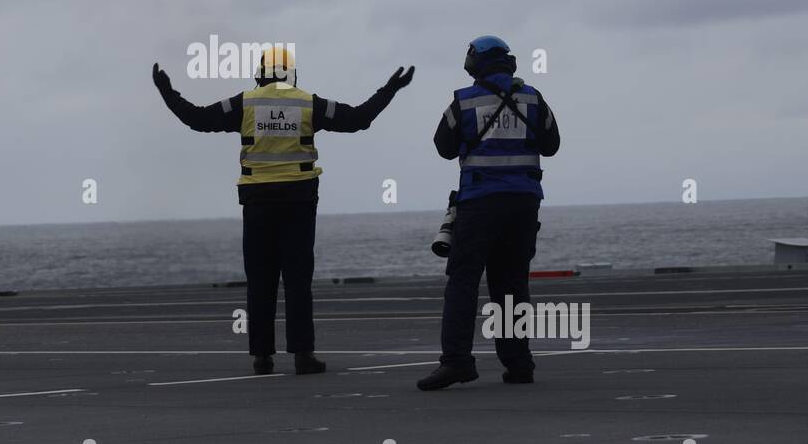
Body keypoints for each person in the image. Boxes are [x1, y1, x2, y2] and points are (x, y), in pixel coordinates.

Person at [152, 45, 413, 375]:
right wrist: (389, 89)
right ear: (292, 75)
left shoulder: (244, 103)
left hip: (257, 202)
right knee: (297, 280)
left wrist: (166, 90)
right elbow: (358, 119)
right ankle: (303, 355)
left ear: (260, 73)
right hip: (299, 201)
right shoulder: (308, 103)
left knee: (260, 281)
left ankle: (262, 357)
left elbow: (197, 119)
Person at [417, 35, 561, 391]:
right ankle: (518, 364)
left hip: (480, 203)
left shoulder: (463, 102)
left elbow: (443, 148)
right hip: (524, 204)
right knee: (512, 285)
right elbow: (552, 145)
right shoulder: (533, 98)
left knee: (463, 283)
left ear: (474, 63)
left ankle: (456, 362)